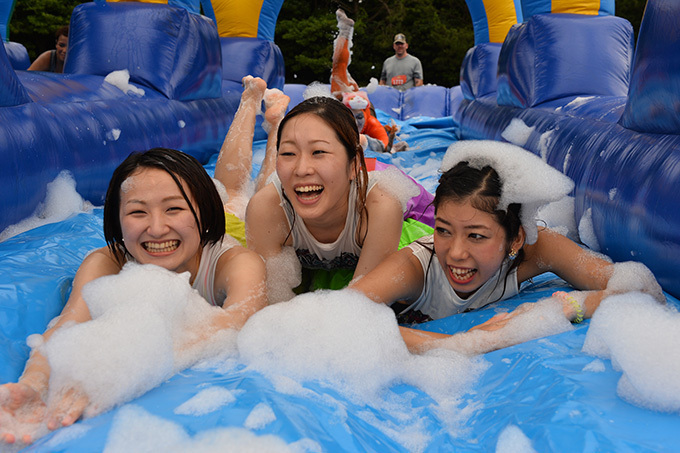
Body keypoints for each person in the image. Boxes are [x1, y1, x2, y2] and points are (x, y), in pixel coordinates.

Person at [0, 145, 268, 445]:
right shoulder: (107, 261)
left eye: (174, 208)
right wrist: (33, 384)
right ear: (117, 220)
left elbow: (239, 320)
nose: (156, 228)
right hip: (190, 234)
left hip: (226, 229)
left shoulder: (235, 263)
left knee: (237, 197)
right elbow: (67, 324)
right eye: (138, 212)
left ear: (202, 213)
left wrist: (113, 374)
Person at [351, 140, 665, 352]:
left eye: (476, 236)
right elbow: (342, 319)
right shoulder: (415, 268)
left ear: (514, 239)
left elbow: (637, 288)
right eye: (444, 230)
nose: (457, 252)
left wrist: (569, 307)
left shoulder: (537, 250)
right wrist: (465, 343)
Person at [242, 92, 423, 299]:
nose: (302, 169)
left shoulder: (378, 208)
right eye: (288, 153)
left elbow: (362, 306)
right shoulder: (267, 209)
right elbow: (270, 304)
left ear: (354, 164)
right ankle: (273, 123)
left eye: (318, 152)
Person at [330, 9, 390, 153]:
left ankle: (345, 31)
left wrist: (363, 140)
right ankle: (346, 31)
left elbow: (384, 145)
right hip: (347, 101)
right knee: (338, 71)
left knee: (337, 71)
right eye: (351, 117)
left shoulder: (371, 124)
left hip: (351, 102)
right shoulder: (340, 118)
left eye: (358, 117)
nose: (356, 123)